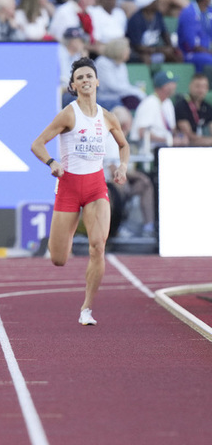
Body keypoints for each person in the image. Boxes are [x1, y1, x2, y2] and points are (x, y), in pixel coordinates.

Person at [30, 57, 130, 326]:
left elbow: (124, 145)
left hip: (97, 186)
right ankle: (65, 238)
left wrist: (122, 167)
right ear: (73, 86)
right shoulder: (68, 114)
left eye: (89, 76)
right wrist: (52, 163)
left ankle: (86, 308)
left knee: (98, 247)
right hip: (69, 187)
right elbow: (37, 144)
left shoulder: (108, 117)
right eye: (80, 78)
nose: (85, 81)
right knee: (59, 259)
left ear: (97, 81)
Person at [175, 72, 212, 145]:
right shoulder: (181, 106)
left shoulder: (207, 107)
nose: (201, 90)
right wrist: (208, 141)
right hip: (186, 145)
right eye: (198, 86)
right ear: (190, 86)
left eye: (204, 87)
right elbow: (188, 135)